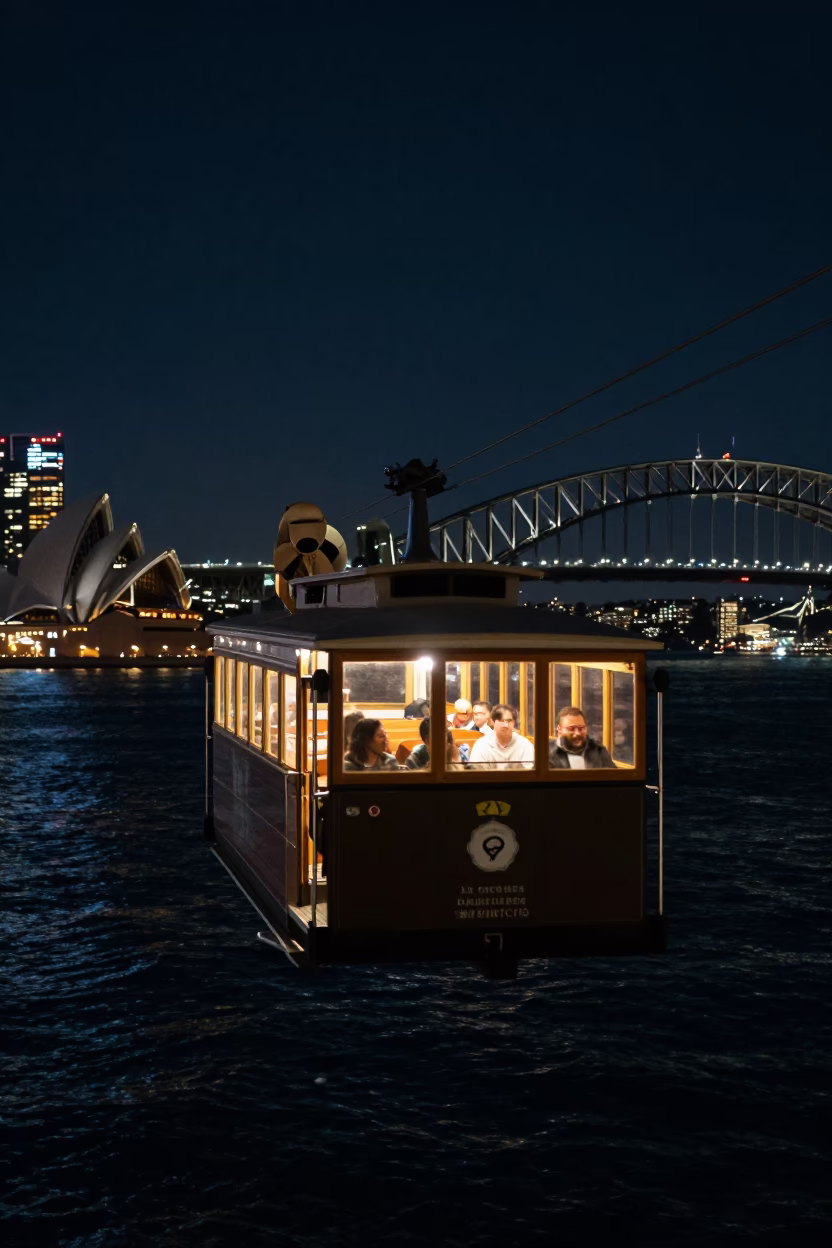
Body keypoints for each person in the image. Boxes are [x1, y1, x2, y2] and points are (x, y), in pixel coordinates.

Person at [468, 704, 534, 769]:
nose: (505, 725)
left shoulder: (525, 745)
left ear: (513, 723)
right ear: (493, 722)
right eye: (501, 721)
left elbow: (530, 772)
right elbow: (476, 773)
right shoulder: (482, 744)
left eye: (509, 721)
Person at [549, 706, 615, 769]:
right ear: (559, 729)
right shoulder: (546, 753)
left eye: (581, 728)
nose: (577, 733)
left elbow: (613, 775)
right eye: (571, 729)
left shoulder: (599, 751)